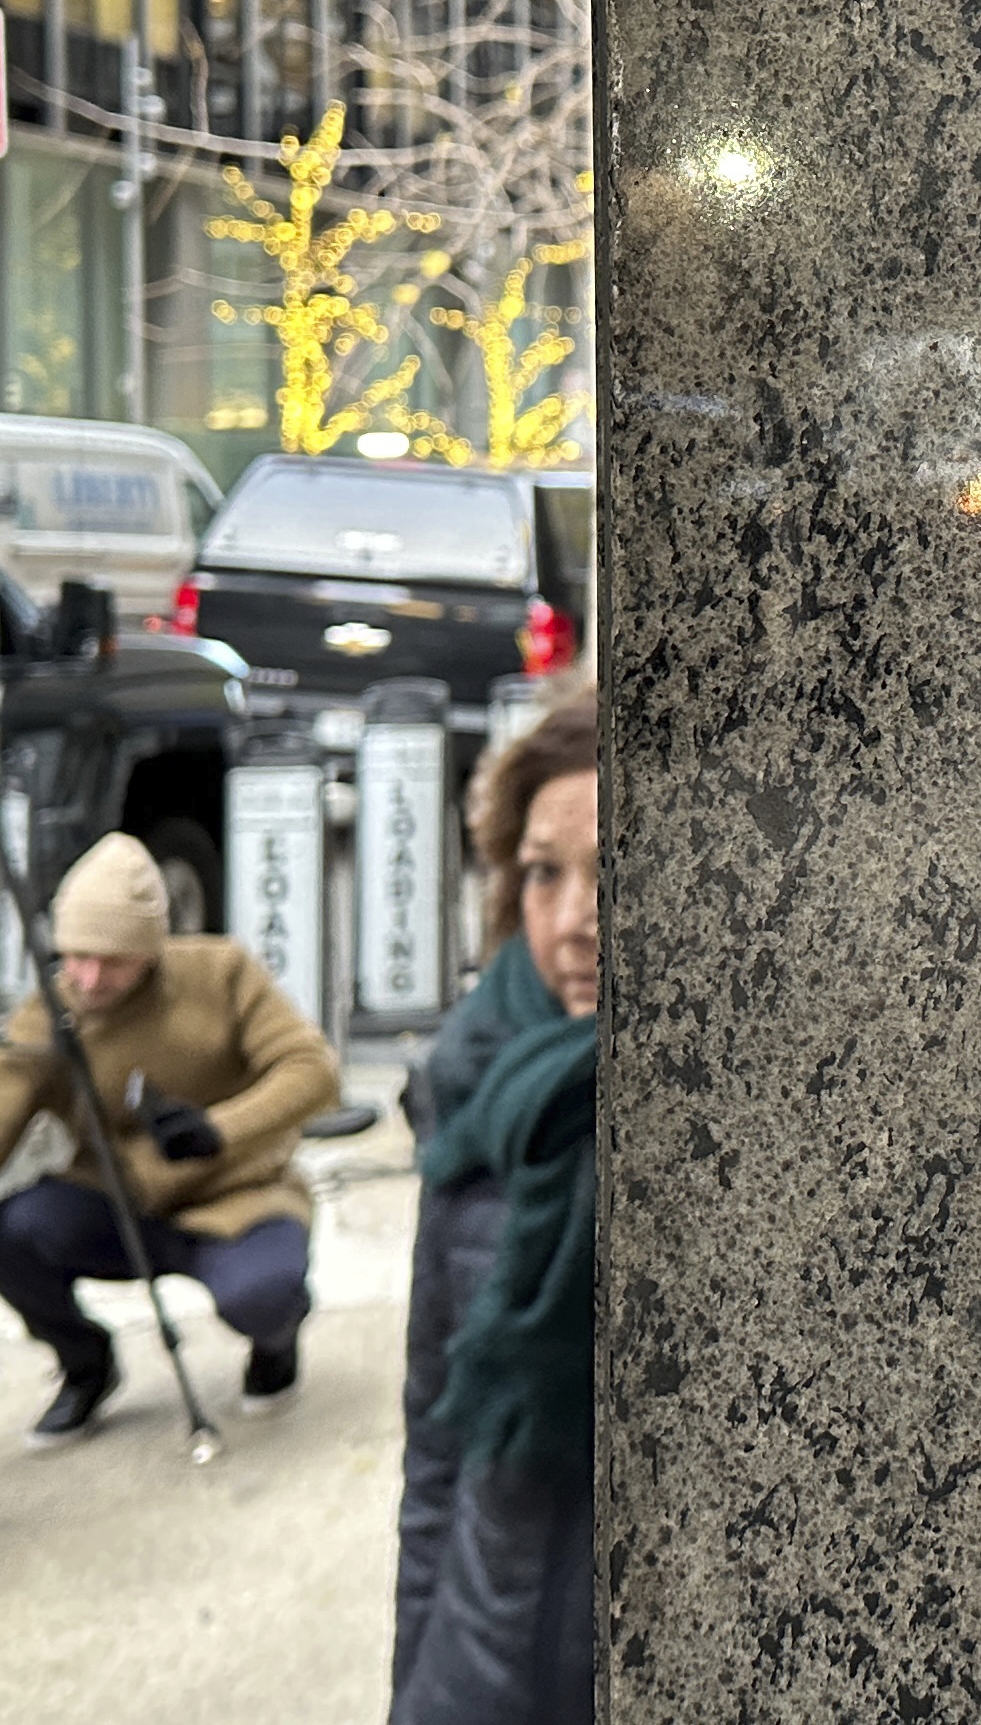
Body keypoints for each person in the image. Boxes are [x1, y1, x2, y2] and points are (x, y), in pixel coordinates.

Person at [0, 829, 342, 1442]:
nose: (90, 976)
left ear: (152, 948)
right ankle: (85, 1364)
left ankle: (275, 1343)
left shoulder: (222, 973)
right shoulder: (51, 1013)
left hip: (236, 1198)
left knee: (266, 1293)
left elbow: (312, 1071)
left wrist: (219, 1129)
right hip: (117, 1201)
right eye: (75, 954)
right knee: (9, 1238)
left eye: (113, 959)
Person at [392, 687, 600, 1725]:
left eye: (619, 867)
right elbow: (435, 1455)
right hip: (479, 1673)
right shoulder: (478, 1100)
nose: (573, 924)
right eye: (543, 874)